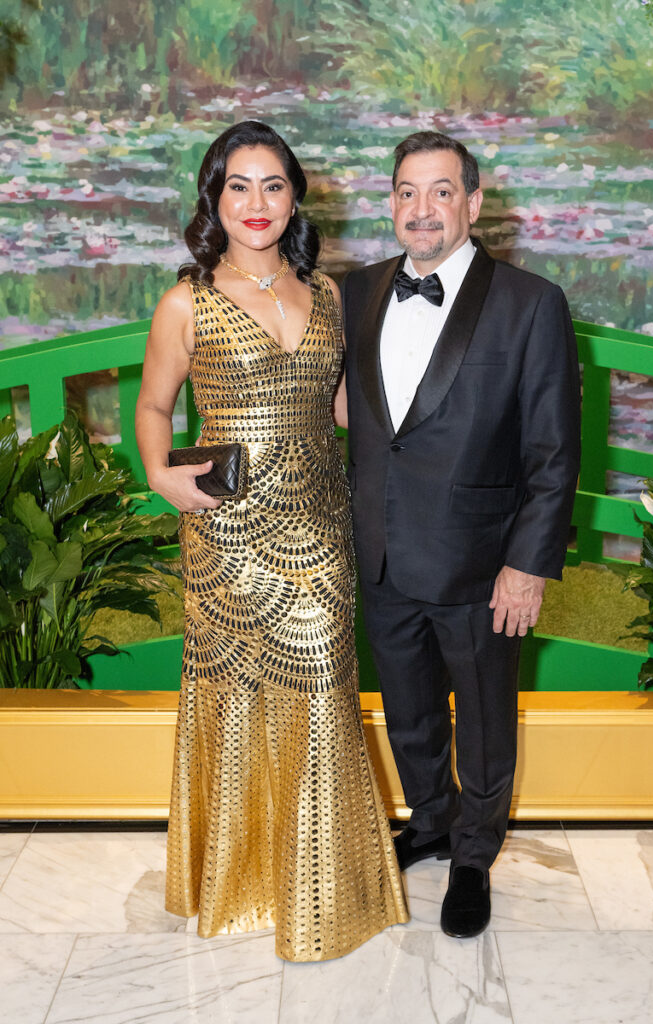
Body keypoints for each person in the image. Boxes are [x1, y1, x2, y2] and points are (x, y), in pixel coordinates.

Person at [135, 120, 407, 962]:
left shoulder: (326, 295)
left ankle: (323, 897)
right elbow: (152, 408)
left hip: (319, 519)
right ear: (215, 197)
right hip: (226, 524)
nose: (257, 204)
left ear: (296, 198)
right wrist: (158, 474)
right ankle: (238, 882)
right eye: (239, 186)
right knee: (233, 694)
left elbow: (335, 407)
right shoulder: (187, 300)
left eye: (274, 185)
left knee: (323, 686)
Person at [341, 131, 581, 939]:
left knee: (481, 715)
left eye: (441, 192)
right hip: (378, 549)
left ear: (472, 204)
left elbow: (553, 450)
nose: (422, 209)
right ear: (391, 203)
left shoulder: (530, 302)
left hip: (481, 563)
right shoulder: (355, 292)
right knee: (408, 711)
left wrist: (527, 565)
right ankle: (432, 821)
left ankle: (475, 853)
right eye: (407, 191)